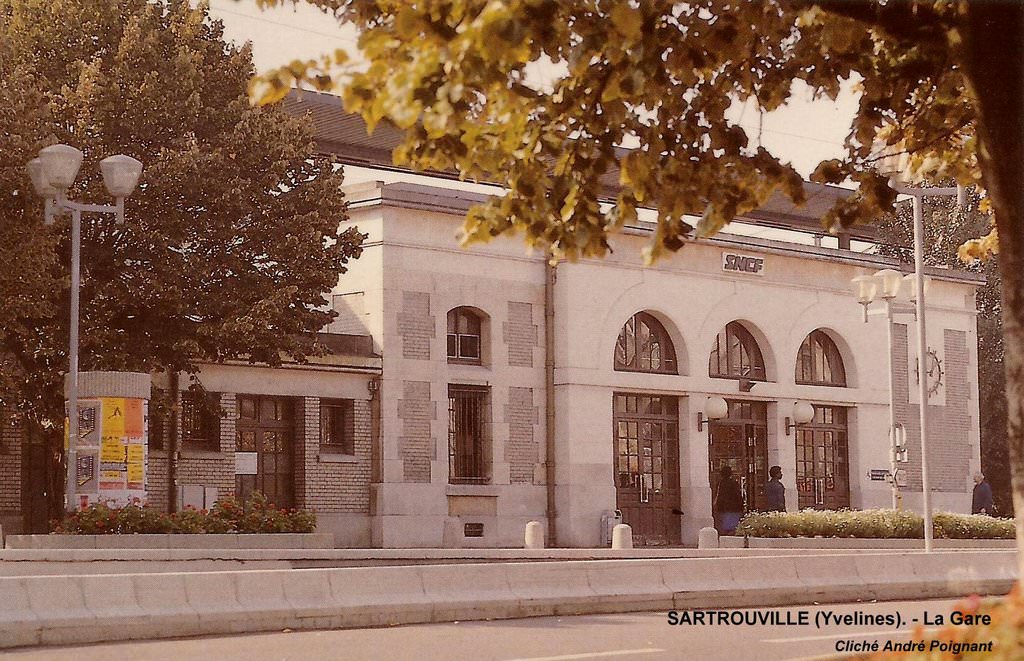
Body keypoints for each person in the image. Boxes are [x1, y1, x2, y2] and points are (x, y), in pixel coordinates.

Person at [713, 465, 744, 535]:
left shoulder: (719, 484)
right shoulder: (734, 483)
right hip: (734, 509)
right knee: (733, 528)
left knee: (723, 527)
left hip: (722, 508)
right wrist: (742, 505)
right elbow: (737, 495)